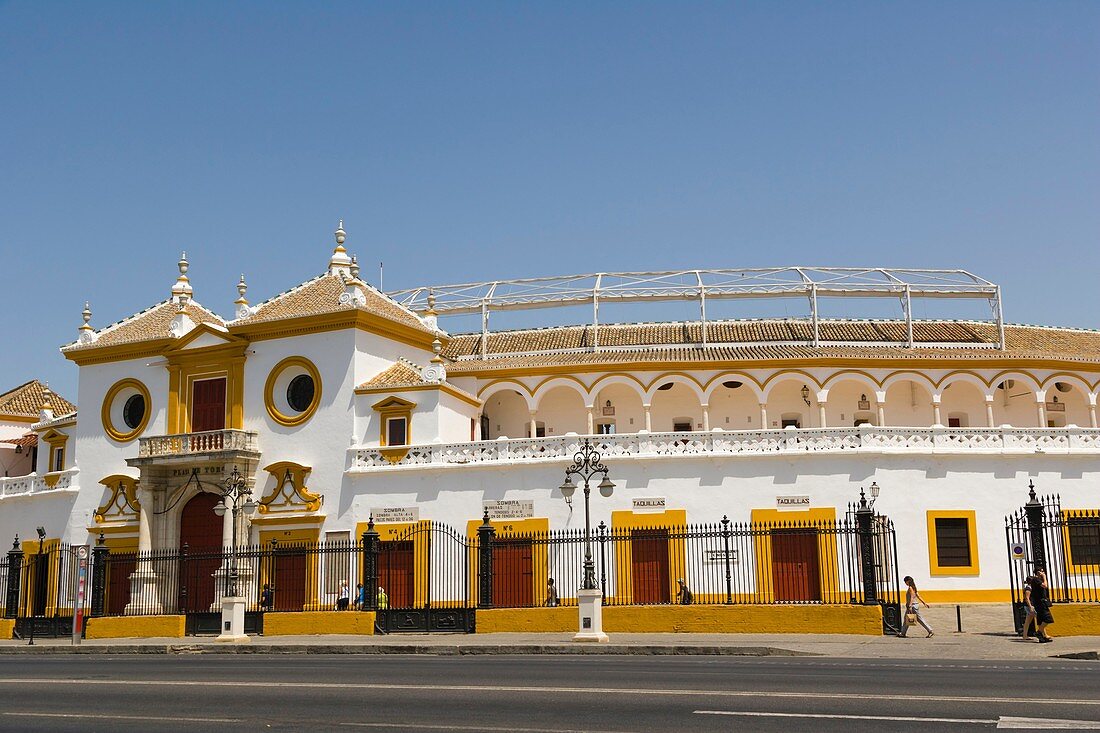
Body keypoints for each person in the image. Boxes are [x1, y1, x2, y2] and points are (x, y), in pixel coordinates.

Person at [1027, 569, 1055, 642]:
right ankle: (1039, 632)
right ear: (1038, 572)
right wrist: (1044, 577)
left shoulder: (1036, 580)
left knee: (1040, 620)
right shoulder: (1036, 579)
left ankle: (1043, 637)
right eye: (1042, 571)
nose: (1043, 573)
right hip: (1041, 603)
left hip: (1038, 603)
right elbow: (1045, 585)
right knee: (1048, 619)